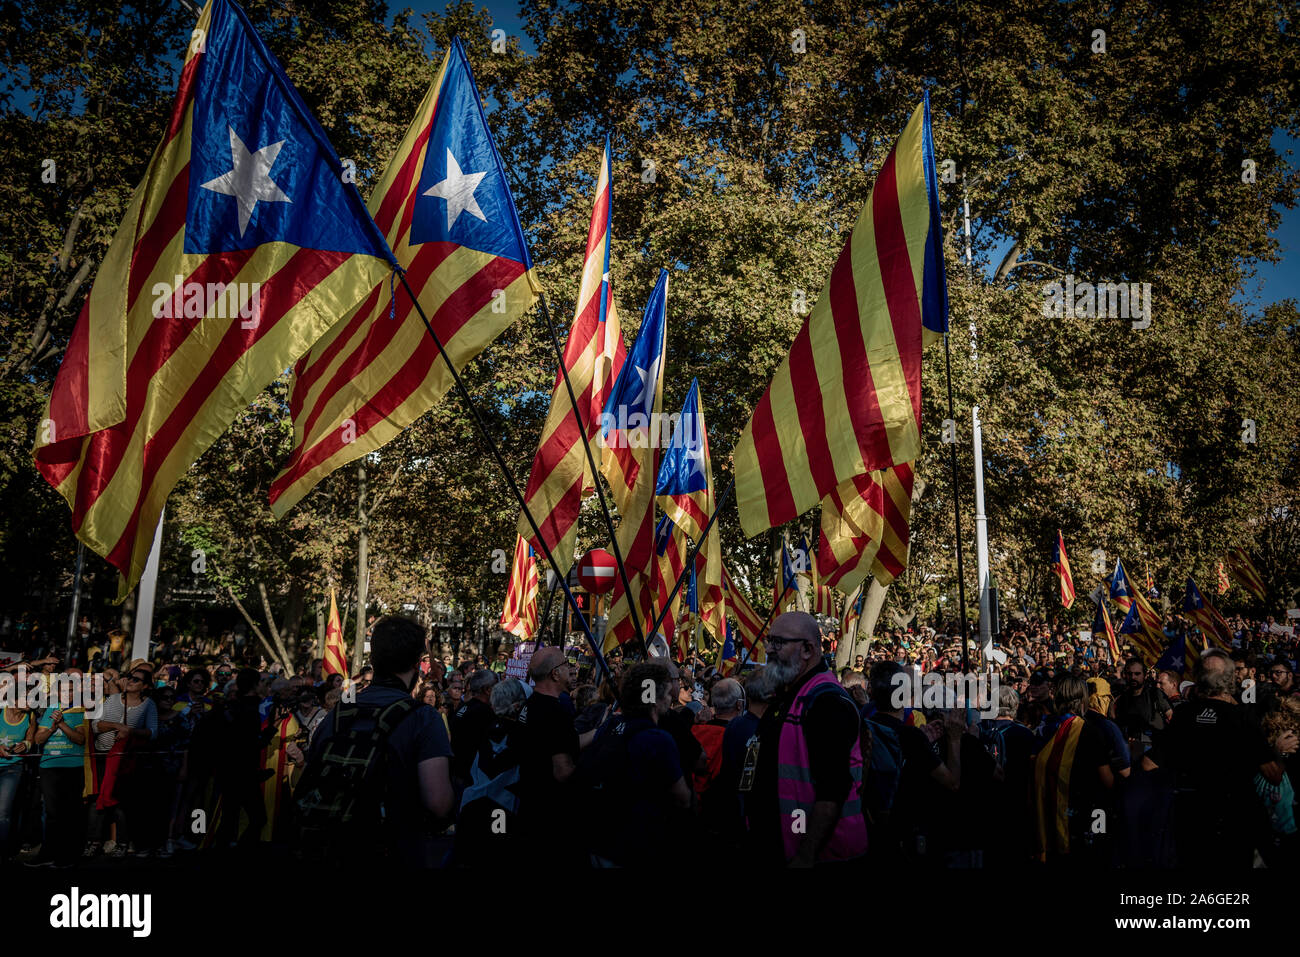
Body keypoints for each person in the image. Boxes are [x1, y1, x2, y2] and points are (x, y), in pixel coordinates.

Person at [302, 616, 454, 866]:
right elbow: (439, 803)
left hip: (329, 848)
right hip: (391, 850)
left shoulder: (340, 713)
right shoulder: (423, 717)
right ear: (417, 663)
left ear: (372, 660)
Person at [1143, 649, 1293, 868]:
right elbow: (1274, 774)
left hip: (1190, 819)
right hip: (1235, 821)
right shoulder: (1241, 717)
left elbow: (1148, 765)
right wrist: (1277, 751)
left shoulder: (1183, 715)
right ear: (1230, 680)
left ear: (1198, 679)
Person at [747, 612, 867, 867]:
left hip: (822, 856)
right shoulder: (791, 693)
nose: (768, 649)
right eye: (769, 640)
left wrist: (806, 854)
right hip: (780, 846)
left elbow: (832, 790)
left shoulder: (827, 701)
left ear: (807, 650)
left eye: (778, 642)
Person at [576, 662, 690, 867]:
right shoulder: (657, 738)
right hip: (635, 847)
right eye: (665, 692)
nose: (669, 697)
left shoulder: (611, 724)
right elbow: (682, 798)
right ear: (653, 698)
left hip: (599, 840)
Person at [451, 677, 529, 867]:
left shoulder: (489, 726)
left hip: (471, 805)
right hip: (499, 810)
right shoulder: (522, 736)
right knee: (494, 854)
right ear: (519, 705)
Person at [85, 660, 158, 857]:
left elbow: (153, 732)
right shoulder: (112, 700)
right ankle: (93, 841)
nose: (130, 681)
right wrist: (118, 727)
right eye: (130, 677)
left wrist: (131, 731)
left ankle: (123, 843)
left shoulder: (148, 705)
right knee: (96, 800)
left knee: (121, 802)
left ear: (145, 686)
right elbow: (95, 725)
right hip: (103, 754)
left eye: (136, 680)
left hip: (126, 759)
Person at [515, 646, 579, 859]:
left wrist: (599, 733)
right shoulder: (555, 712)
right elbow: (563, 771)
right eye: (566, 665)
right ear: (555, 673)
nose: (570, 669)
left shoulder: (529, 705)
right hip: (550, 816)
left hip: (528, 807)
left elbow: (556, 743)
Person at [29, 678, 87, 867]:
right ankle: (47, 853)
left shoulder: (80, 710)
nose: (66, 694)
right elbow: (38, 738)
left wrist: (61, 724)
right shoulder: (50, 710)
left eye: (70, 691)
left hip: (72, 766)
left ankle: (67, 855)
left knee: (69, 813)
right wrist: (51, 728)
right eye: (63, 691)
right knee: (52, 813)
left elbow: (80, 739)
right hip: (49, 766)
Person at [450, 669, 497, 786]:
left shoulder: (464, 707)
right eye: (497, 686)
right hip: (468, 778)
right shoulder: (484, 712)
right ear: (487, 689)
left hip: (456, 771)